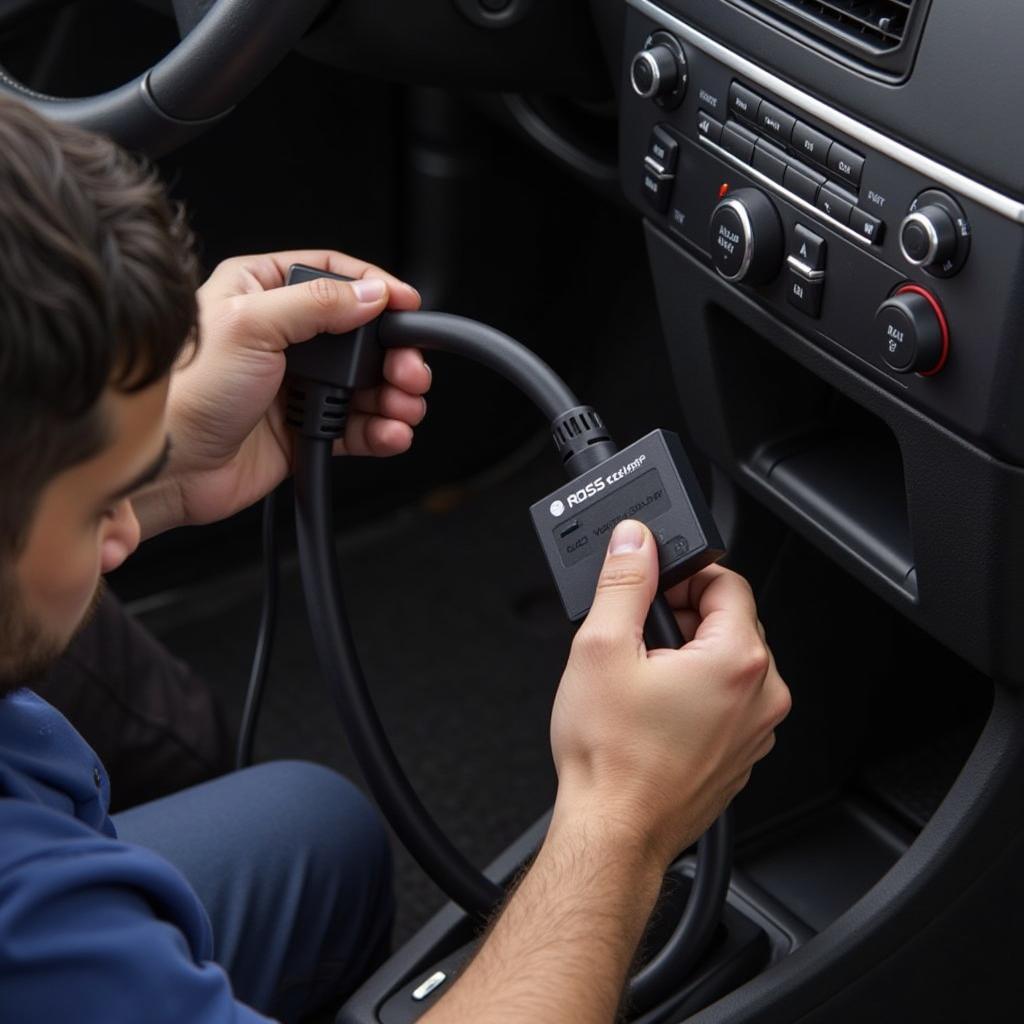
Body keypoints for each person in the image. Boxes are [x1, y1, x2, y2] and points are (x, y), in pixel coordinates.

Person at [0, 96, 790, 1023]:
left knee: (310, 834)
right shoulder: (31, 915)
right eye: (100, 508)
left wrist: (143, 462)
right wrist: (623, 817)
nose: (126, 535)